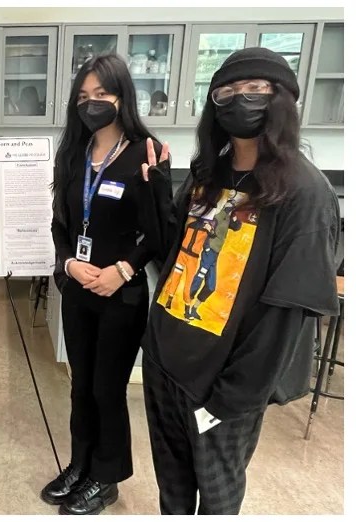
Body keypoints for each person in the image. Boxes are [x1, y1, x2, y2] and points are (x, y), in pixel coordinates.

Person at [138, 47, 341, 515]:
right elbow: (173, 257)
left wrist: (230, 400)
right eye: (226, 92)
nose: (239, 99)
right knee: (172, 489)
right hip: (166, 360)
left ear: (283, 101)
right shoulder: (207, 176)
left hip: (221, 385)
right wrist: (157, 188)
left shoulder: (304, 193)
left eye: (256, 90)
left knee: (218, 497)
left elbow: (285, 312)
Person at [45, 53, 172, 516]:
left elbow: (160, 232)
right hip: (79, 287)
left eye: (102, 94)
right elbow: (61, 222)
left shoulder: (147, 153)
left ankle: (107, 476)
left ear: (122, 97)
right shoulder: (73, 152)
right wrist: (67, 264)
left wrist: (123, 269)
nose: (92, 103)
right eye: (83, 96)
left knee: (107, 387)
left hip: (122, 293)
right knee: (81, 384)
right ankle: (80, 464)